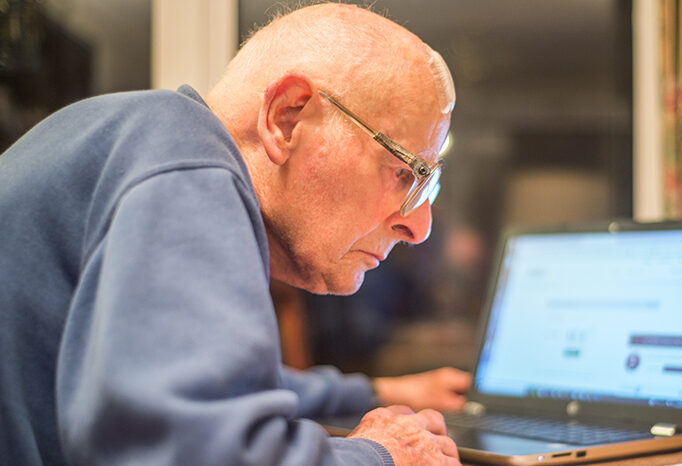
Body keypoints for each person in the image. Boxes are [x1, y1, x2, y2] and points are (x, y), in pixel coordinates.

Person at [0, 3, 471, 465]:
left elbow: (206, 382)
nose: (420, 225)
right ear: (287, 118)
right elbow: (189, 450)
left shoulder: (146, 139)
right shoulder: (188, 167)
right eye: (405, 173)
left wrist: (378, 392)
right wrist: (381, 454)